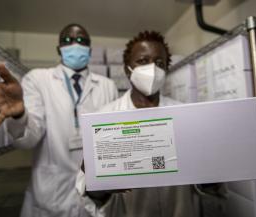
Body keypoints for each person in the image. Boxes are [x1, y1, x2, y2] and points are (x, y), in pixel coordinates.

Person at [0, 24, 118, 217]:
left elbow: (112, 139)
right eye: (68, 40)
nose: (75, 44)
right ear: (59, 48)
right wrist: (19, 115)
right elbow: (29, 139)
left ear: (90, 50)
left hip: (95, 192)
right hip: (50, 194)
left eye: (82, 40)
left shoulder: (107, 86)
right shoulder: (38, 79)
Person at [79, 31, 195, 217]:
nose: (152, 69)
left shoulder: (185, 116)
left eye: (159, 63)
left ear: (166, 69)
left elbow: (204, 182)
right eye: (143, 61)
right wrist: (97, 184)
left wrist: (212, 178)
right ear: (127, 69)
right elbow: (90, 195)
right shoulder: (105, 117)